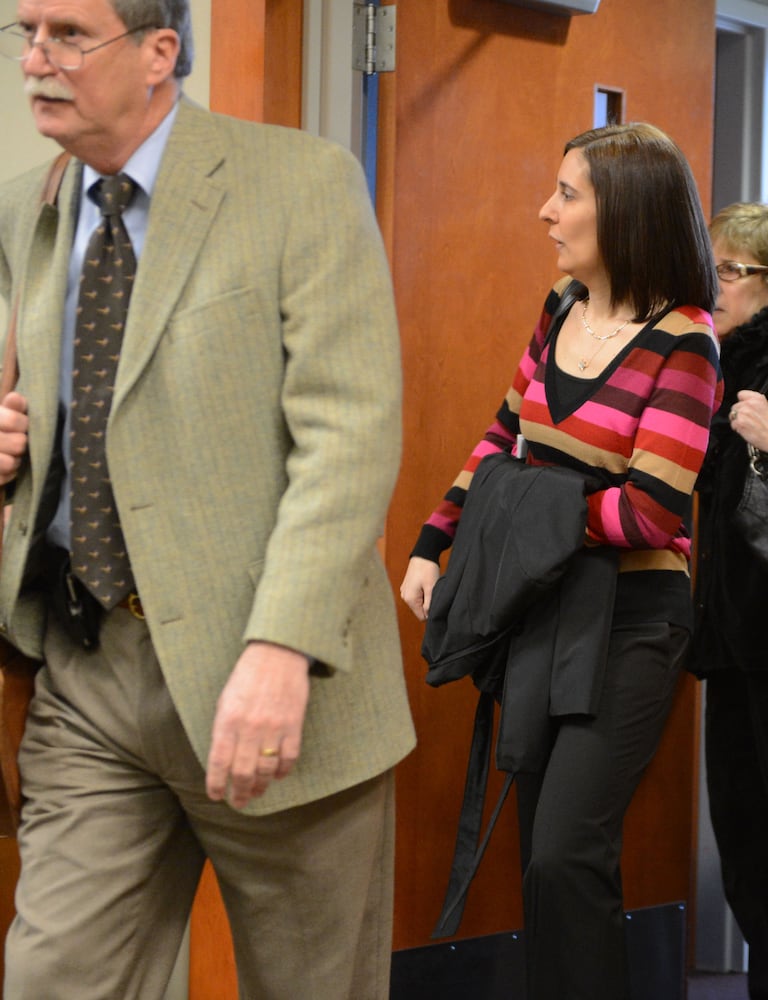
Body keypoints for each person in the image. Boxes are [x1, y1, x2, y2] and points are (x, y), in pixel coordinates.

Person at [0, 1, 415, 997]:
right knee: (52, 977)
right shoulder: (31, 204)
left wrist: (282, 647)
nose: (38, 62)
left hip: (275, 683)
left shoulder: (298, 184)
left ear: (159, 54)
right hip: (91, 666)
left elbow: (348, 436)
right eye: (27, 34)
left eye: (68, 35)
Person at [400, 122, 722, 1000]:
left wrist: (525, 516)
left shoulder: (687, 343)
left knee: (565, 853)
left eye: (568, 194)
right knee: (540, 860)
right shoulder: (560, 306)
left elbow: (653, 509)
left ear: (625, 212)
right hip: (544, 608)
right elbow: (504, 436)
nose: (547, 210)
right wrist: (438, 538)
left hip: (632, 624)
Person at [691, 202, 768, 1000]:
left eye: (732, 271)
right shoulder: (718, 368)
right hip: (733, 645)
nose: (715, 285)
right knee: (743, 843)